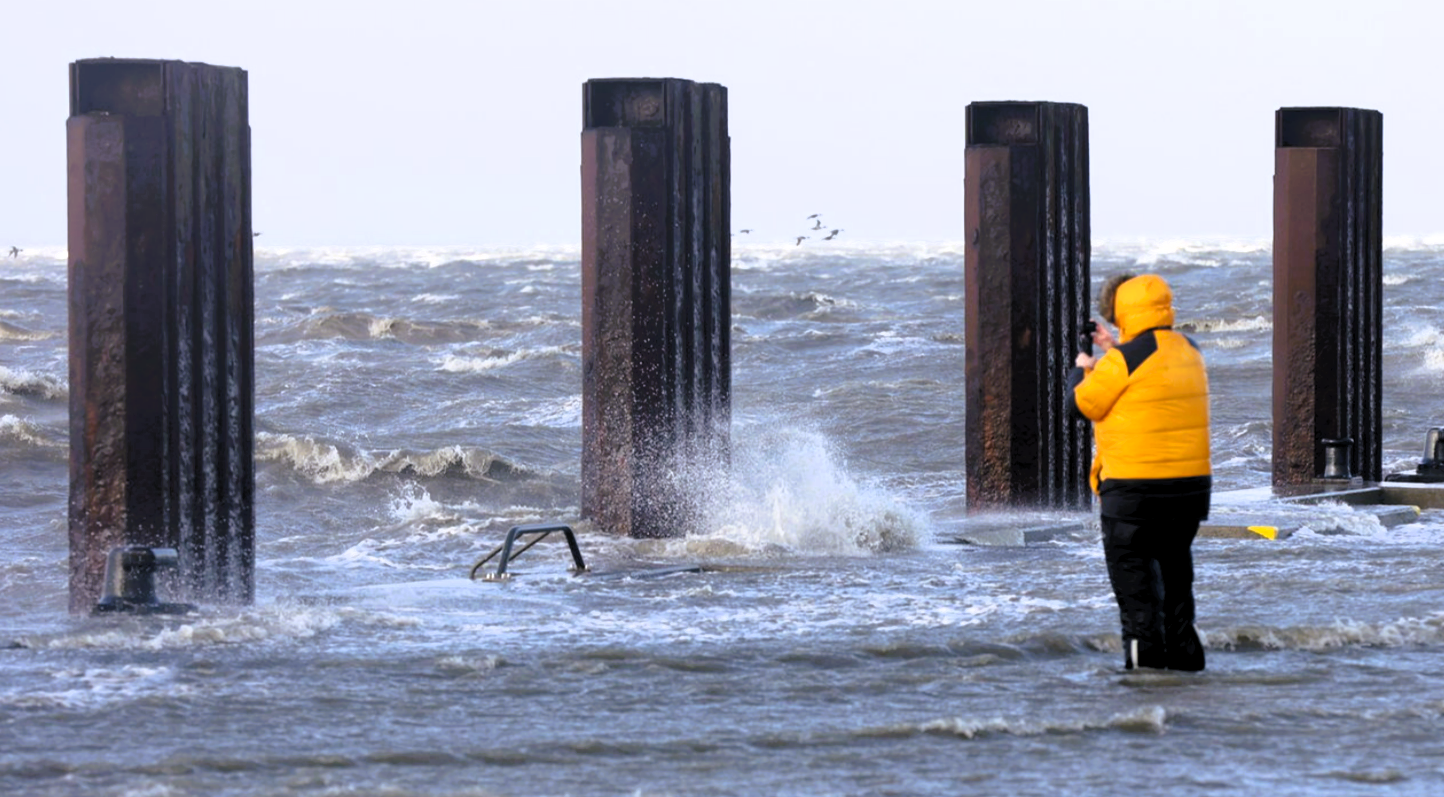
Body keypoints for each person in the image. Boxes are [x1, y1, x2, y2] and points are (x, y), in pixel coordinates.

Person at [1070, 273, 1211, 671]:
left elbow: (1081, 406)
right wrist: (1113, 348)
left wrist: (1084, 367)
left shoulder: (1119, 362)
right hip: (1188, 494)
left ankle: (1143, 697)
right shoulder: (1191, 349)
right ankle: (1189, 688)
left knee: (1139, 608)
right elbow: (1149, 375)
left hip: (1132, 494)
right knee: (1177, 598)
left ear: (1122, 311)